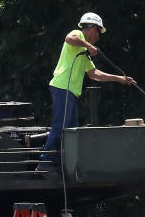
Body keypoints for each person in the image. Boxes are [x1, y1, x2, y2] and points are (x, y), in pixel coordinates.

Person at [38, 12, 137, 171]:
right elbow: (68, 38)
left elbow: (94, 74)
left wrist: (120, 79)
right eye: (99, 32)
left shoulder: (83, 53)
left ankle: (62, 165)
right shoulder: (78, 35)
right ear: (91, 28)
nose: (99, 36)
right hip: (63, 87)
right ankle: (46, 163)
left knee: (70, 130)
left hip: (69, 92)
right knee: (61, 125)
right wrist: (89, 46)